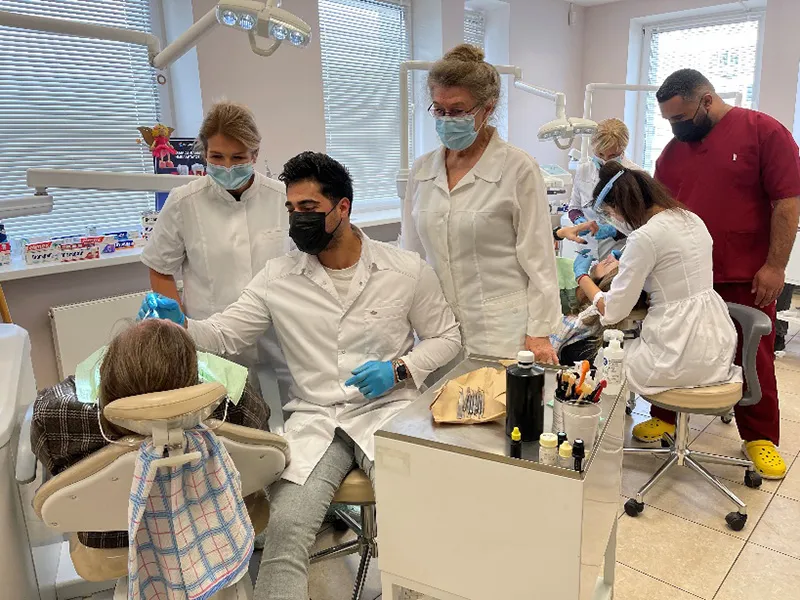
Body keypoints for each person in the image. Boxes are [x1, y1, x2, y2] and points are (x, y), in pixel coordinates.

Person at [139, 152, 461, 600]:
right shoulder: (278, 277)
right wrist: (181, 324)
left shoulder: (404, 270)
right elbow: (226, 334)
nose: (297, 219)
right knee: (285, 528)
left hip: (388, 409)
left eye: (308, 208)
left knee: (414, 522)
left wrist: (399, 369)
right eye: (291, 209)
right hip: (316, 418)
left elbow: (447, 337)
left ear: (342, 207)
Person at [652, 68, 800, 479]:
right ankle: (665, 417)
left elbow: (787, 203)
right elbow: (659, 212)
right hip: (686, 276)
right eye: (667, 120)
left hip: (747, 275)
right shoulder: (673, 152)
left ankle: (760, 437)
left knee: (752, 354)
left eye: (680, 118)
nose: (675, 127)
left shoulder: (763, 133)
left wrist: (775, 266)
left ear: (707, 100)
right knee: (675, 346)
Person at [30, 318, 269, 549]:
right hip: (216, 521)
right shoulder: (237, 405)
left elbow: (52, 462)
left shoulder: (57, 416)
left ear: (106, 376)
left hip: (112, 540)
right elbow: (261, 445)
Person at [401, 44, 560, 362]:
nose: (447, 120)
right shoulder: (422, 171)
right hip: (439, 330)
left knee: (495, 395)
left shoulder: (517, 168)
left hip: (503, 331)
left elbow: (539, 257)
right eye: (439, 110)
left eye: (458, 111)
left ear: (487, 109)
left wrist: (540, 332)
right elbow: (410, 255)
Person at [141, 101, 290, 390]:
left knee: (283, 411)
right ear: (205, 154)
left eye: (238, 157)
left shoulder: (282, 198)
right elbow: (160, 267)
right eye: (217, 157)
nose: (228, 167)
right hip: (211, 344)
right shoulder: (184, 202)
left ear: (255, 154)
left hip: (277, 340)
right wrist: (177, 326)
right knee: (225, 413)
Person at [573, 162, 740, 401]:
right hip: (717, 347)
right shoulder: (691, 218)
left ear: (621, 205)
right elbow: (673, 266)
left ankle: (606, 426)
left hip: (678, 353)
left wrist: (582, 277)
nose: (612, 220)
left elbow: (612, 311)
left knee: (606, 362)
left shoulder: (644, 238)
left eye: (610, 214)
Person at [552, 251, 647, 366]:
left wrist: (582, 276)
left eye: (608, 264)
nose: (610, 257)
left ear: (599, 287)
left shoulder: (582, 349)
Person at [569, 118, 642, 258]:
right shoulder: (584, 170)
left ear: (622, 149)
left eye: (612, 155)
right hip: (586, 247)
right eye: (600, 154)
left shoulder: (636, 175)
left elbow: (640, 223)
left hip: (618, 250)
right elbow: (574, 207)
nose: (605, 160)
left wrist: (614, 230)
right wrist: (579, 220)